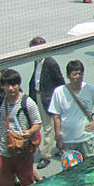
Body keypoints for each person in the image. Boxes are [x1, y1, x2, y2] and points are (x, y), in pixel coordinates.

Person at [0, 68, 41, 186]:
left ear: (19, 85)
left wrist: (30, 131)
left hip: (23, 152)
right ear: (2, 86)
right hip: (4, 152)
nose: (11, 88)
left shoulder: (28, 102)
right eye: (7, 85)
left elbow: (38, 123)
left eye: (14, 84)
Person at [48, 60, 94, 160]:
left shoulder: (91, 89)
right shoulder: (58, 92)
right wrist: (58, 138)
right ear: (68, 76)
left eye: (80, 74)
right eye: (74, 74)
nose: (78, 77)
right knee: (72, 171)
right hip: (68, 140)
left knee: (90, 168)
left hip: (85, 138)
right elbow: (56, 116)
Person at [28, 37, 64, 170]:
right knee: (50, 126)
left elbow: (60, 81)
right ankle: (60, 147)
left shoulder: (50, 63)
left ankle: (46, 156)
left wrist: (58, 99)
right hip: (39, 95)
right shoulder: (37, 61)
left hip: (48, 98)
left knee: (48, 127)